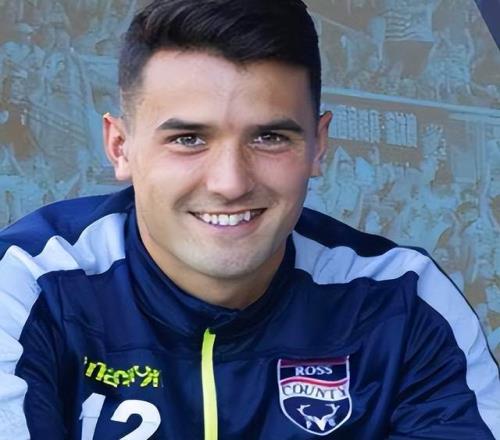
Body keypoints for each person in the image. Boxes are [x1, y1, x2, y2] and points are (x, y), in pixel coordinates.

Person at [0, 0, 498, 438]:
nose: (230, 182)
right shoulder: (27, 287)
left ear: (318, 145)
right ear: (120, 147)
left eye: (269, 138)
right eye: (188, 139)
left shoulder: (404, 299)